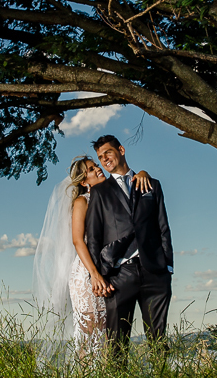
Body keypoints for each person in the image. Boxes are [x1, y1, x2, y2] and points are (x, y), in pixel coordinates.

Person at [32, 155, 152, 364]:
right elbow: (78, 241)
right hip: (87, 272)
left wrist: (143, 174)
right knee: (89, 335)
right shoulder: (82, 201)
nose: (98, 169)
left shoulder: (110, 196)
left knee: (109, 333)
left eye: (96, 165)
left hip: (109, 272)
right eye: (91, 169)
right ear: (83, 181)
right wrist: (94, 275)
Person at [85, 134, 173, 363]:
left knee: (158, 341)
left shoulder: (151, 185)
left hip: (155, 273)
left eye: (108, 152)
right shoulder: (99, 192)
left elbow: (163, 226)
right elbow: (93, 238)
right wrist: (99, 276)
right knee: (117, 344)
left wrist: (167, 268)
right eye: (100, 157)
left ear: (121, 150)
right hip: (119, 276)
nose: (104, 159)